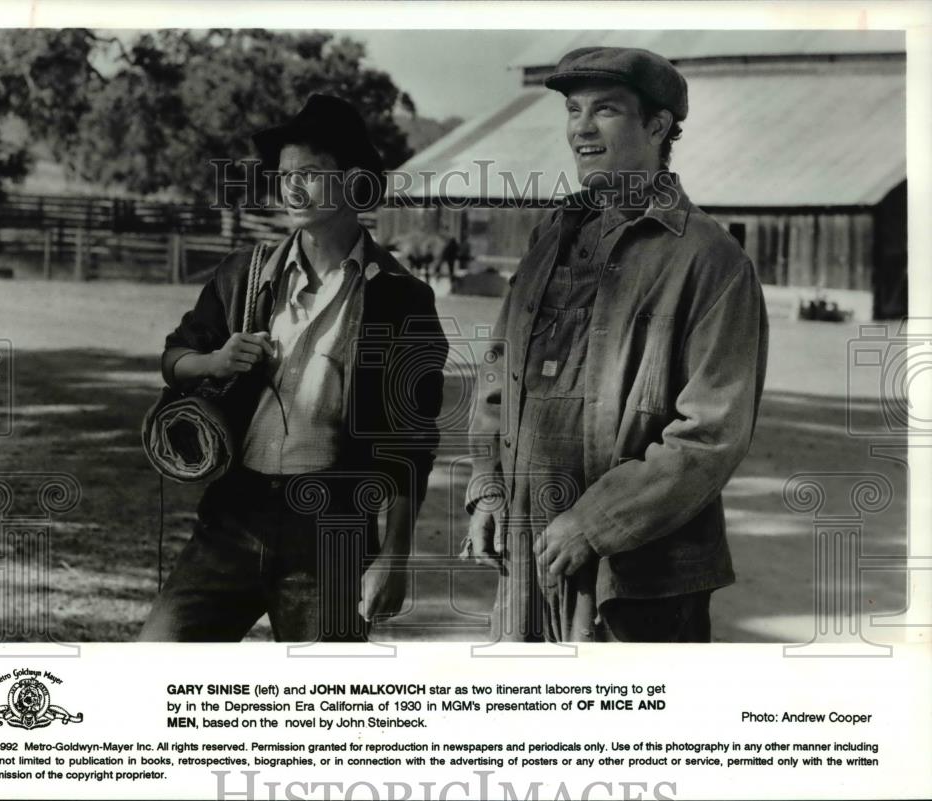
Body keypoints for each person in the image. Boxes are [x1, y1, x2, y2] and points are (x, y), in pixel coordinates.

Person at [463, 47, 769, 642]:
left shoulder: (709, 259)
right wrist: (487, 487)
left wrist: (596, 523)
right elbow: (499, 373)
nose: (580, 128)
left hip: (640, 577)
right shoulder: (551, 237)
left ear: (657, 125)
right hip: (530, 553)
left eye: (605, 110)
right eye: (573, 110)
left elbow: (709, 434)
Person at [140, 94, 447, 642]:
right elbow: (174, 361)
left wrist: (395, 556)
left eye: (310, 173)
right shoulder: (243, 275)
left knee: (324, 707)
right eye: (285, 176)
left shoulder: (403, 300)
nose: (292, 188)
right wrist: (215, 359)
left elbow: (411, 444)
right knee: (157, 659)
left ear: (355, 182)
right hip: (231, 518)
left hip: (332, 530)